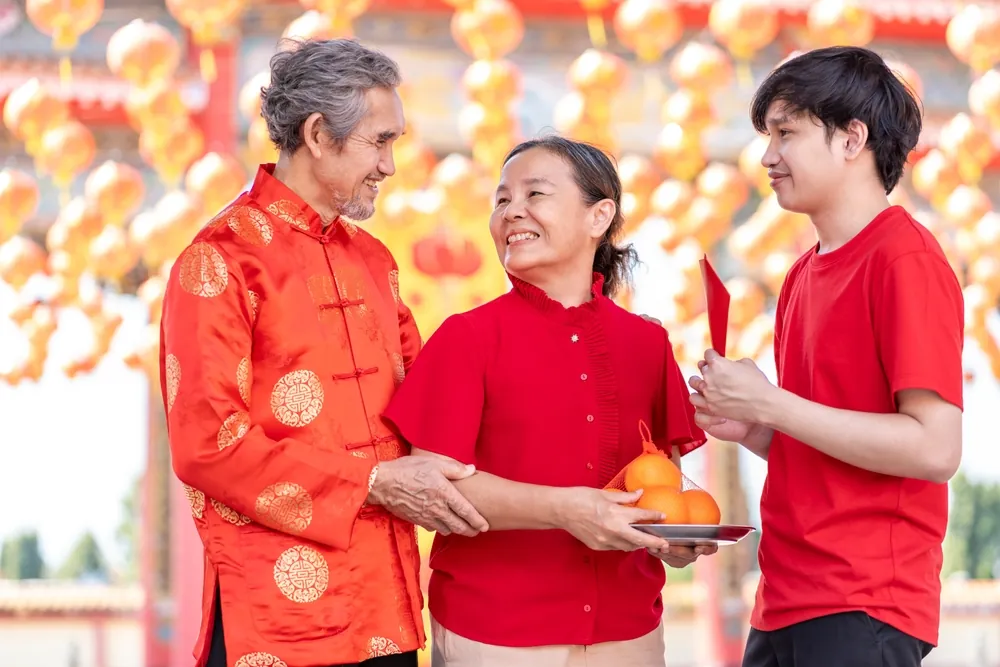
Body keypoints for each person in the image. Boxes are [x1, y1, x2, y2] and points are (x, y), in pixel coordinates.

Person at [158, 38, 490, 667]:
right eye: (380, 141)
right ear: (318, 133)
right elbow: (207, 443)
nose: (391, 165)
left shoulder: (374, 261)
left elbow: (433, 407)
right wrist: (373, 482)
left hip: (390, 614)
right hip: (277, 627)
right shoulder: (220, 260)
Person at [383, 136, 714, 667]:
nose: (512, 211)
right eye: (502, 199)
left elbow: (661, 479)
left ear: (598, 216)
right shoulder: (466, 337)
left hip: (627, 631)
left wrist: (671, 539)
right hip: (495, 631)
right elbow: (433, 484)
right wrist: (565, 509)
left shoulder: (647, 345)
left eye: (535, 193)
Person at [688, 46, 964, 667]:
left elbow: (934, 449)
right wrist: (758, 427)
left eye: (787, 132)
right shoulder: (800, 277)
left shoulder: (905, 259)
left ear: (852, 139)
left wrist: (773, 404)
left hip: (862, 600)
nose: (768, 156)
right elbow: (830, 443)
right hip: (785, 596)